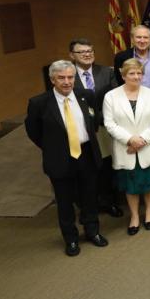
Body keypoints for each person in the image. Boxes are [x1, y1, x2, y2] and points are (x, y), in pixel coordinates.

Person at [25, 60, 107, 256]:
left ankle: (92, 231)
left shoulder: (86, 96)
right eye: (61, 78)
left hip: (86, 154)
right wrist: (54, 147)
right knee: (65, 202)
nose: (67, 82)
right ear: (52, 79)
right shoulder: (39, 103)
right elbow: (34, 132)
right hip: (60, 158)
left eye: (70, 77)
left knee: (89, 196)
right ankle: (70, 239)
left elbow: (94, 121)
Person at [103, 58, 150, 235]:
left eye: (139, 73)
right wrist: (131, 140)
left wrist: (142, 140)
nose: (136, 76)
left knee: (149, 182)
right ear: (123, 75)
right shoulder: (111, 96)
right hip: (125, 148)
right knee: (130, 184)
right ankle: (134, 216)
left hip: (149, 145)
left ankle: (148, 211)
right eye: (132, 73)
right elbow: (109, 123)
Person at [68, 38, 122, 217]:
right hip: (79, 130)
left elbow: (116, 98)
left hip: (103, 127)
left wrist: (99, 118)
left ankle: (108, 200)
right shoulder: (67, 76)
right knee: (84, 167)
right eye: (81, 52)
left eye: (90, 51)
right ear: (72, 56)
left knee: (105, 165)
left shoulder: (106, 72)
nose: (87, 54)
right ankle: (88, 204)